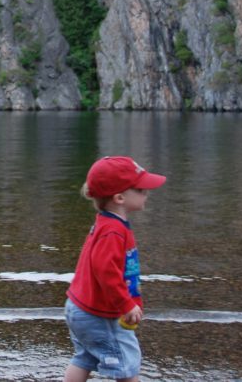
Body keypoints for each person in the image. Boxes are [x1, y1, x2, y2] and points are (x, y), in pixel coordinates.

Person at [63, 156, 167, 382]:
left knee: (83, 358)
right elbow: (105, 271)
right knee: (127, 363)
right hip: (98, 314)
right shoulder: (113, 231)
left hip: (80, 307)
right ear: (119, 198)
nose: (146, 194)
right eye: (141, 190)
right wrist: (125, 304)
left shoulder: (106, 223)